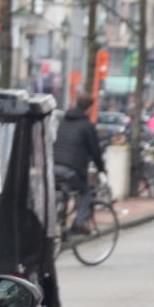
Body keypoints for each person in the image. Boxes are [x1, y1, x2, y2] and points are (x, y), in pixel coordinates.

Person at [54, 94, 107, 235]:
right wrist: (102, 169)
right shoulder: (87, 126)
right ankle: (78, 224)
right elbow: (95, 151)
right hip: (70, 168)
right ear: (89, 108)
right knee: (85, 192)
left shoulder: (64, 121)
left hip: (53, 165)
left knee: (63, 191)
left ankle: (61, 224)